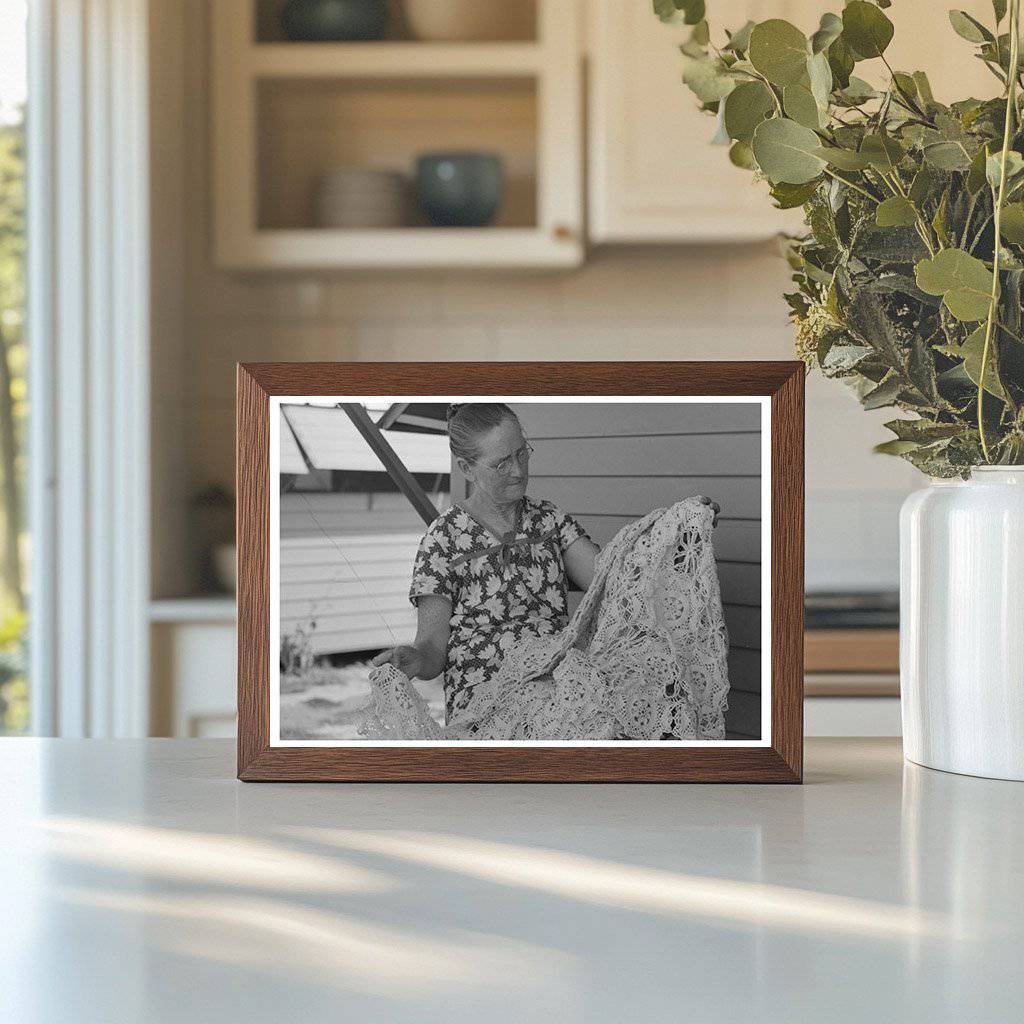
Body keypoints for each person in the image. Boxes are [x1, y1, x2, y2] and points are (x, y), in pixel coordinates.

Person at [371, 402, 719, 726]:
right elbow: (433, 650)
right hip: (485, 706)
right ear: (466, 469)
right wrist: (415, 659)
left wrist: (679, 531)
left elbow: (613, 579)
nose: (518, 470)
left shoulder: (549, 520)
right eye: (501, 462)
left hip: (557, 688)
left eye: (522, 452)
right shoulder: (442, 540)